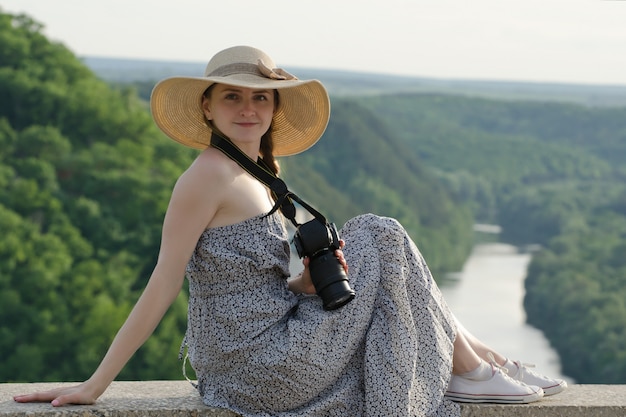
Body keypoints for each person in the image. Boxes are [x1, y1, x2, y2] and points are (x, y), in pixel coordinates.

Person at [14, 46, 566, 416]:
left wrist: (302, 285)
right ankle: (471, 368)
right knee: (382, 231)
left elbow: (261, 277)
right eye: (232, 95)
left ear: (274, 107)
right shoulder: (206, 177)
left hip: (276, 338)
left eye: (260, 97)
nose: (248, 108)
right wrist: (95, 385)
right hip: (254, 363)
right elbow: (163, 283)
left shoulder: (261, 174)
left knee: (382, 250)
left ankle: (479, 362)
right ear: (207, 107)